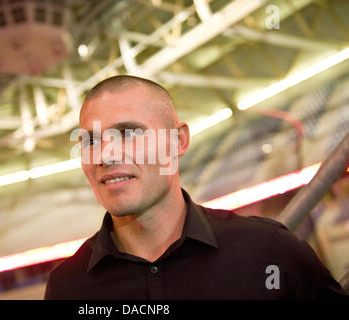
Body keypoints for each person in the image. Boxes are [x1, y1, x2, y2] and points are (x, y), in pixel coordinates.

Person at [44, 75, 348, 299]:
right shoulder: (68, 288)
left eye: (128, 133)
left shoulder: (268, 250)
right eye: (91, 141)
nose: (105, 155)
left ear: (178, 141)